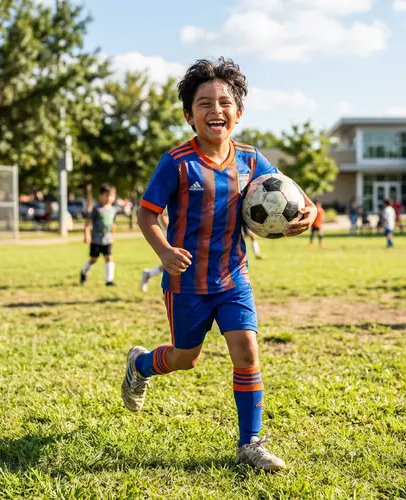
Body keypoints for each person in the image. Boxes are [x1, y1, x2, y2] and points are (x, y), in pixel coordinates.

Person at [121, 57, 317, 471]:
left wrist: (311, 214)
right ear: (189, 115)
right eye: (204, 103)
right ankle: (140, 364)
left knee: (246, 352)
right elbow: (146, 213)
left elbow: (296, 196)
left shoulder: (250, 160)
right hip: (186, 283)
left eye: (225, 102)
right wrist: (164, 253)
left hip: (233, 279)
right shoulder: (176, 162)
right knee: (184, 359)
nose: (216, 109)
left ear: (239, 113)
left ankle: (251, 444)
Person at [80, 183, 117, 286]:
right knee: (94, 259)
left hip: (107, 239)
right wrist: (86, 235)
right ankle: (84, 272)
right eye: (106, 195)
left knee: (109, 257)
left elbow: (113, 224)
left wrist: (112, 236)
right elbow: (88, 223)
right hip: (96, 239)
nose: (109, 198)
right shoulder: (96, 209)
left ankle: (109, 280)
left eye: (112, 196)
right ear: (100, 196)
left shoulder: (113, 210)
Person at [140, 209, 169, 292]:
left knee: (174, 263)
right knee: (174, 262)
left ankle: (149, 274)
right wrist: (170, 231)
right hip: (173, 234)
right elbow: (164, 215)